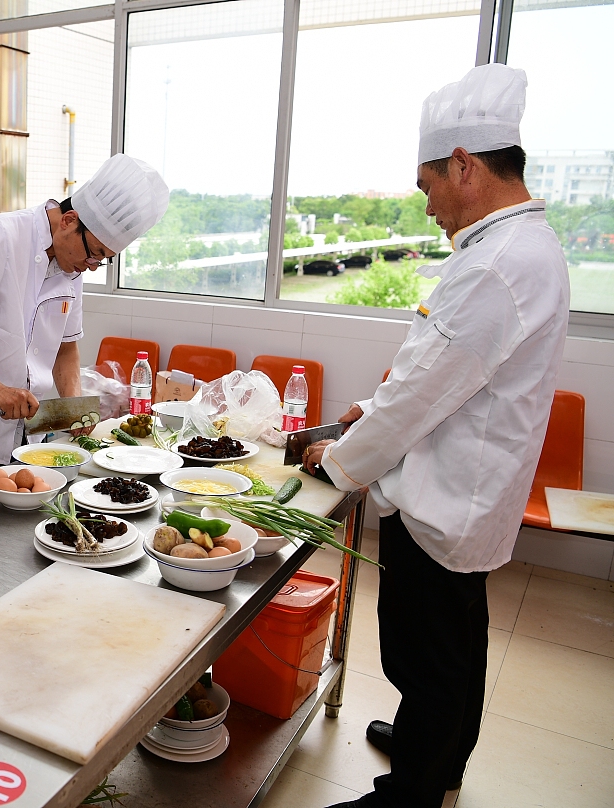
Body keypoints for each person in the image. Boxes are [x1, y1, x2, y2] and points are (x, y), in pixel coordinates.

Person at [303, 64, 569, 808]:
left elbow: (424, 392)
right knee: (459, 642)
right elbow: (438, 367)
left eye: (427, 187)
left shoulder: (499, 263)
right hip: (470, 485)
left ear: (465, 166)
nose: (428, 208)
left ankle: (413, 790)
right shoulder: (516, 248)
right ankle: (442, 751)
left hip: (448, 495)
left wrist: (340, 461)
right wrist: (365, 406)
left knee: (430, 656)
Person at [0, 153, 169, 477]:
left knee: (28, 509)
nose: (92, 265)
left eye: (104, 259)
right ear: (69, 220)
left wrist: (74, 408)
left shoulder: (73, 266)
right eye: (95, 252)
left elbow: (66, 346)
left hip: (31, 427)